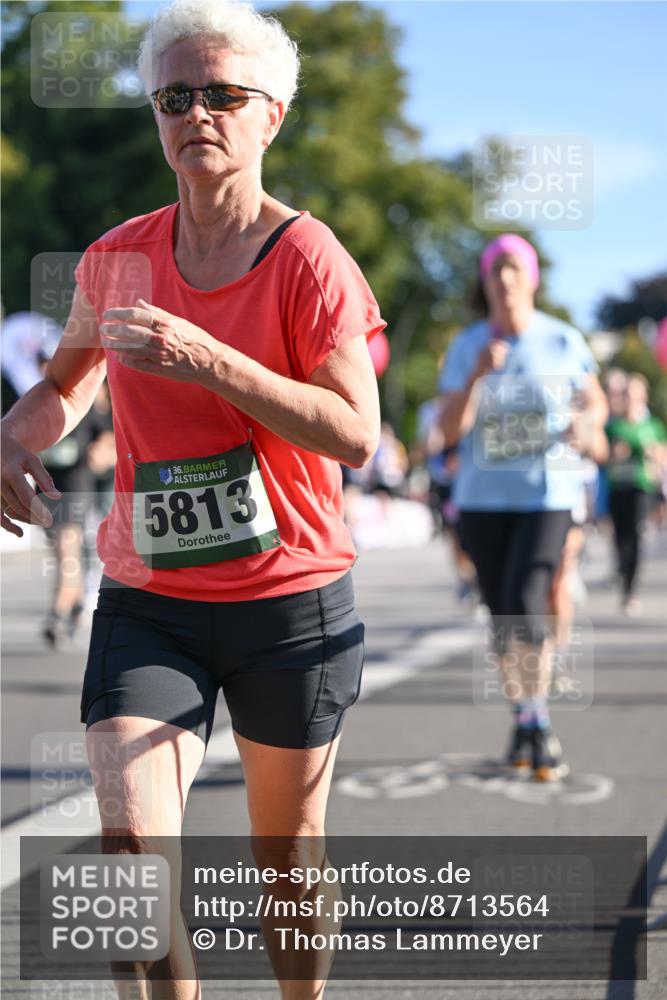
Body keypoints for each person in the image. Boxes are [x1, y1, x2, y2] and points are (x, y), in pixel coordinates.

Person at [0, 2, 384, 997]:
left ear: (273, 115)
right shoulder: (117, 256)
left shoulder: (307, 260)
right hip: (150, 602)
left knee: (287, 855)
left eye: (222, 94)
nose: (196, 113)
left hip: (285, 605)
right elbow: (64, 390)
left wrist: (210, 359)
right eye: (175, 95)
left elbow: (353, 431)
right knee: (130, 845)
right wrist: (9, 434)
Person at [438, 233, 608, 781]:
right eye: (495, 270)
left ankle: (538, 720)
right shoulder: (466, 346)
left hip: (547, 496)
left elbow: (595, 399)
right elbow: (445, 431)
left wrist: (588, 422)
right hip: (484, 502)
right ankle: (523, 714)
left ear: (531, 277)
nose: (505, 279)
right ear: (485, 282)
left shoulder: (562, 340)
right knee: (500, 614)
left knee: (529, 598)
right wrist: (477, 377)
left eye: (514, 267)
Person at [605, 372, 667, 615]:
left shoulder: (652, 426)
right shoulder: (615, 426)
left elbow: (663, 454)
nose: (629, 399)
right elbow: (602, 455)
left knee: (636, 534)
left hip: (642, 487)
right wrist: (614, 453)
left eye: (633, 394)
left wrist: (655, 453)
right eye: (626, 394)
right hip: (618, 486)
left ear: (643, 396)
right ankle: (621, 570)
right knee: (620, 537)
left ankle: (630, 590)